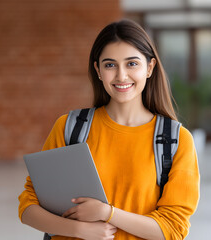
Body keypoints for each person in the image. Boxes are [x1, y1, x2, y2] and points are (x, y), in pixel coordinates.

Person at [18, 19, 200, 240]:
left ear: (150, 68)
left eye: (132, 63)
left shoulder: (176, 140)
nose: (121, 76)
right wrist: (79, 230)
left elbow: (173, 229)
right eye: (110, 65)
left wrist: (108, 213)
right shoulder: (69, 127)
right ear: (98, 70)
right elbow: (28, 207)